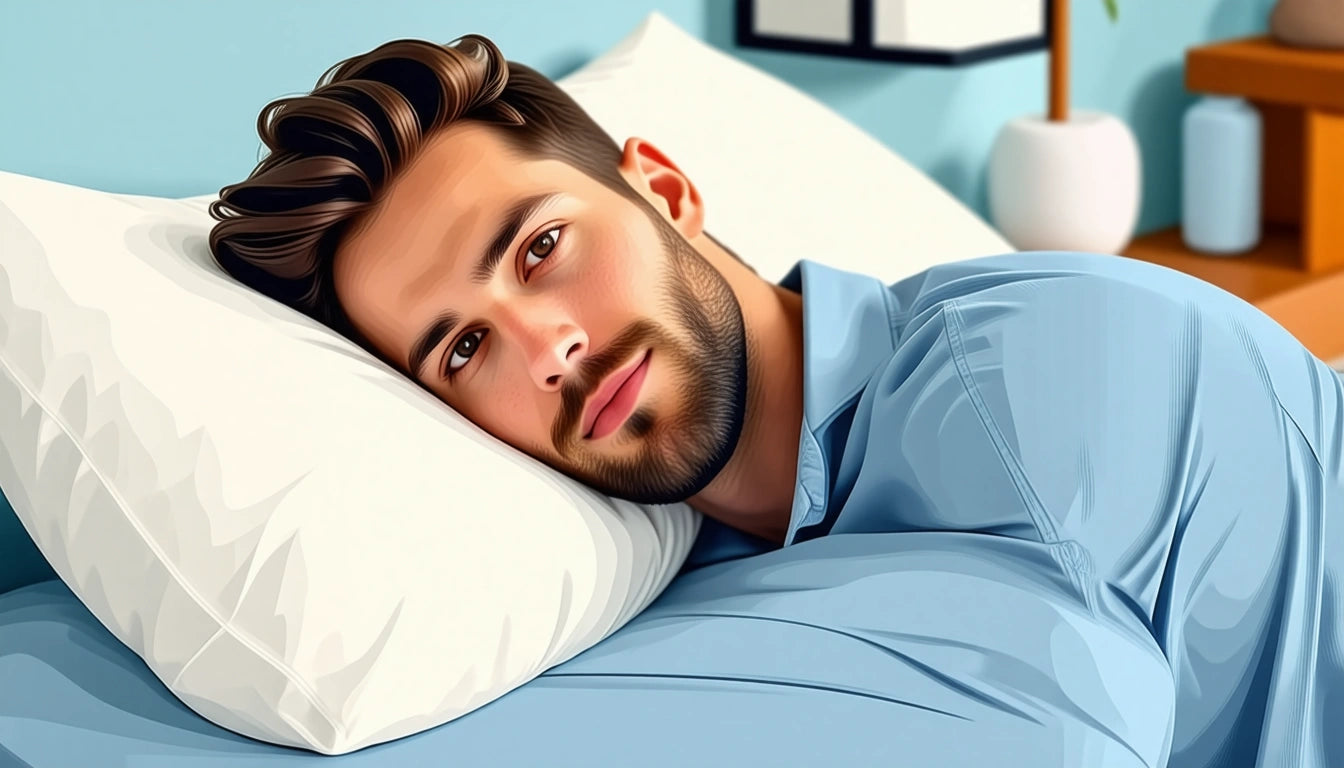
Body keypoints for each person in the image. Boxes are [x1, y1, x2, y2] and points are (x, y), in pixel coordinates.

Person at [210, 34, 1344, 767]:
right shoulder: (633, 587)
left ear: (665, 189)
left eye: (543, 247)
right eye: (461, 349)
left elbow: (1063, 716)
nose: (544, 346)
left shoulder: (1031, 380)